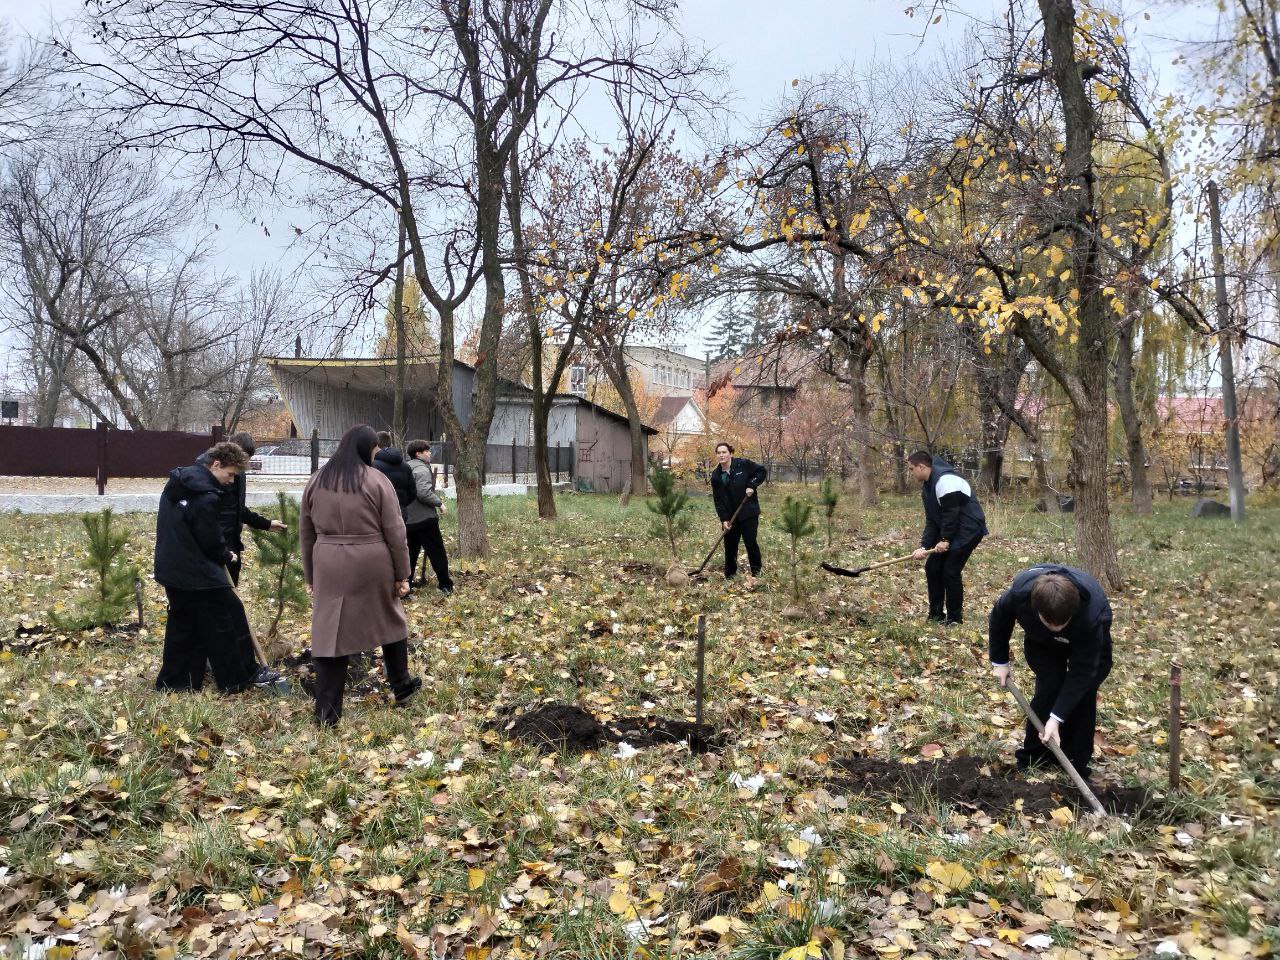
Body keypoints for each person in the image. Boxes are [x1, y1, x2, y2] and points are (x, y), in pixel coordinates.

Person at [300, 424, 421, 725]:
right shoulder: (376, 480)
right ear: (367, 450)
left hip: (328, 560)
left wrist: (311, 575)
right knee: (390, 620)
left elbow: (306, 532)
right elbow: (395, 531)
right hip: (372, 560)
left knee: (329, 633)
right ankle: (401, 685)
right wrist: (403, 574)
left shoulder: (317, 480)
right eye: (374, 451)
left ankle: (327, 712)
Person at [153, 441, 281, 692]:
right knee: (229, 615)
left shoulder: (181, 482)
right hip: (195, 572)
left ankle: (176, 682)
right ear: (216, 464)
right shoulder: (205, 495)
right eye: (230, 474)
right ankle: (237, 677)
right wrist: (226, 554)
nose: (232, 481)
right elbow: (209, 537)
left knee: (185, 623)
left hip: (172, 568)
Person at [988, 564, 1114, 781]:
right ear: (1036, 610)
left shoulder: (1093, 615)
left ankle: (1075, 759)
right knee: (1050, 684)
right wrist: (1000, 661)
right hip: (1041, 642)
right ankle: (1034, 756)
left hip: (1086, 644)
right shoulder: (1020, 595)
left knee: (1084, 693)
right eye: (1050, 622)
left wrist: (1056, 718)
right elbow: (999, 618)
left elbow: (1083, 672)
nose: (1057, 628)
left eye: (1062, 624)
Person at [908, 450, 988, 625]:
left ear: (922, 467)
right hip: (952, 528)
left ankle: (954, 618)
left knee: (950, 570)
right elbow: (932, 520)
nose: (911, 472)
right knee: (932, 567)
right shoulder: (927, 488)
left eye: (912, 468)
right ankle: (936, 614)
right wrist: (924, 546)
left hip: (969, 528)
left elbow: (951, 513)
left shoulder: (945, 481)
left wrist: (945, 540)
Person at [198, 431, 286, 587]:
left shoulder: (237, 474)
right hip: (215, 548)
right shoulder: (207, 473)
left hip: (231, 545)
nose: (243, 465)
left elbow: (237, 508)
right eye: (242, 459)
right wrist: (220, 549)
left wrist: (266, 524)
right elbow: (204, 517)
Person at [710, 442, 767, 581]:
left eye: (724, 452)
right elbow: (718, 499)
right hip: (731, 517)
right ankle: (730, 576)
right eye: (719, 453)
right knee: (730, 546)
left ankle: (757, 574)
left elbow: (761, 471)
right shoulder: (716, 476)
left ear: (730, 453)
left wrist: (752, 485)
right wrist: (724, 519)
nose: (721, 455)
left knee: (750, 543)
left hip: (748, 513)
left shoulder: (743, 464)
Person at [405, 439, 453, 595]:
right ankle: (445, 585)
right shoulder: (422, 470)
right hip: (425, 519)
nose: (430, 453)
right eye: (427, 451)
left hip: (409, 519)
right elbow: (423, 492)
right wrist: (439, 503)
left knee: (410, 554)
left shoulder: (405, 468)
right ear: (418, 454)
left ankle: (406, 586)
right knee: (437, 552)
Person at [372, 430, 415, 515]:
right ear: (390, 444)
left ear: (376, 445)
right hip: (401, 513)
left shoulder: (372, 465)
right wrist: (402, 505)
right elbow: (413, 492)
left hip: (380, 513)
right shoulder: (406, 466)